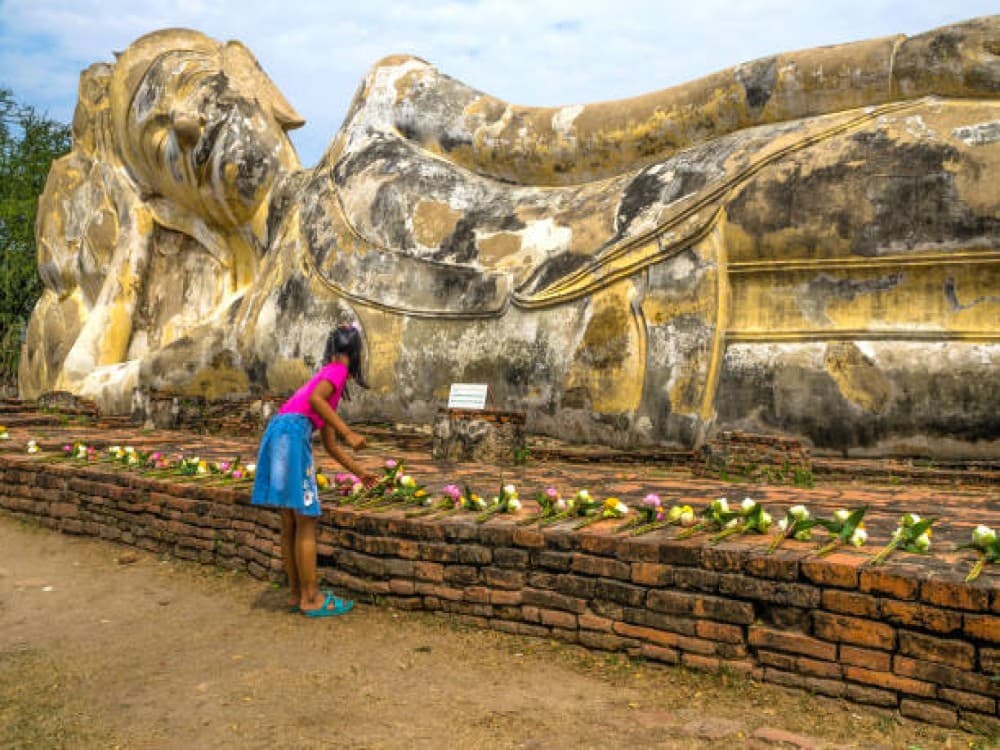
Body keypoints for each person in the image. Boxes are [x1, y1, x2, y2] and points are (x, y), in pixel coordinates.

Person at [250, 323, 375, 617]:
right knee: (306, 519)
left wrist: (359, 472)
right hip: (292, 435)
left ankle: (296, 594)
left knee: (290, 521)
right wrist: (350, 433)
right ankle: (312, 598)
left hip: (278, 430)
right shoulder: (337, 371)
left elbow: (328, 444)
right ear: (355, 352)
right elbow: (318, 402)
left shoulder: (324, 377)